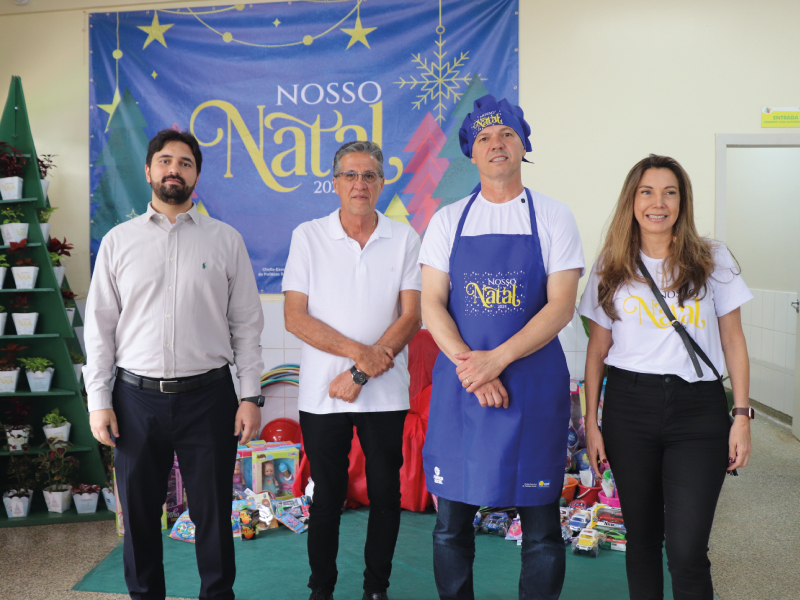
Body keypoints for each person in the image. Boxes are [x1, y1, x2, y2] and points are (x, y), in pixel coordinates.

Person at [84, 129, 265, 600]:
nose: (174, 170)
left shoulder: (225, 240)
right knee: (140, 517)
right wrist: (98, 401)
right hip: (134, 399)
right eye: (165, 161)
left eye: (185, 163)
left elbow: (247, 325)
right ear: (149, 171)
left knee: (213, 515)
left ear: (196, 176)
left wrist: (250, 396)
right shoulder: (119, 242)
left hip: (209, 398)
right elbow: (99, 328)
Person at [420, 94, 584, 600]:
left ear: (523, 146)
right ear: (471, 152)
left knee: (541, 530)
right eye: (485, 137)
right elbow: (431, 304)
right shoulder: (448, 220)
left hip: (531, 390)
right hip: (464, 389)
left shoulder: (554, 216)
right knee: (451, 525)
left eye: (507, 134)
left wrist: (497, 360)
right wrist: (474, 369)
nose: (496, 144)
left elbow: (561, 306)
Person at [578, 154, 753, 600]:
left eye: (670, 193)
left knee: (687, 550)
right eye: (647, 192)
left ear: (682, 201)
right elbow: (597, 351)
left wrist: (741, 416)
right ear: (632, 200)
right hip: (629, 407)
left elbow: (733, 340)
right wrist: (591, 424)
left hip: (699, 411)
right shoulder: (611, 263)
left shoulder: (712, 257)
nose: (658, 203)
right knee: (641, 540)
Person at [282, 140, 422, 600]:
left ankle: (376, 589)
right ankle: (321, 589)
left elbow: (411, 317)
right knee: (326, 496)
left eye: (369, 176)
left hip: (385, 393)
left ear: (381, 183)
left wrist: (360, 372)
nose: (359, 184)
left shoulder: (404, 237)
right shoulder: (308, 236)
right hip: (323, 394)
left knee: (385, 494)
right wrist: (361, 354)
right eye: (350, 175)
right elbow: (295, 318)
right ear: (335, 182)